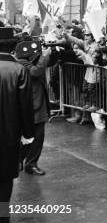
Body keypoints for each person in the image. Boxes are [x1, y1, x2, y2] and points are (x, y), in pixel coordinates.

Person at [0, 28, 34, 222]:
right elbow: (25, 107)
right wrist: (28, 134)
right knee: (5, 179)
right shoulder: (18, 69)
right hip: (9, 134)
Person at [16, 39, 52, 176]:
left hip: (35, 105)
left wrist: (49, 54)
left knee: (31, 136)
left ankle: (22, 161)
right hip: (32, 106)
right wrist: (44, 56)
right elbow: (36, 72)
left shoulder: (26, 61)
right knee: (34, 136)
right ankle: (28, 163)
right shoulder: (22, 63)